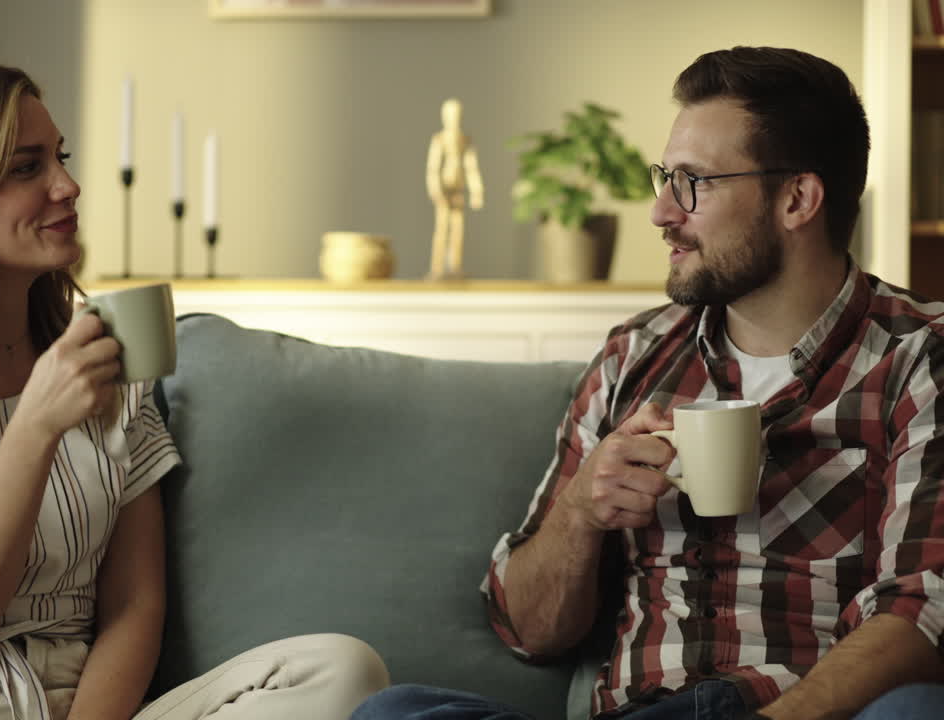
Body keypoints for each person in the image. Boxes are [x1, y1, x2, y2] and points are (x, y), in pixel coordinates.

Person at [353, 46, 944, 720]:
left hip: (797, 707)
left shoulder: (919, 357)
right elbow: (528, 632)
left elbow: (923, 613)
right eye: (665, 178)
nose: (662, 211)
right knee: (393, 711)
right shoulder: (634, 355)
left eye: (692, 182)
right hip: (644, 710)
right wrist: (582, 510)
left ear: (798, 199)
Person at [0, 63, 388, 720]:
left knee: (342, 671)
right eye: (28, 168)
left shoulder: (103, 360)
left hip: (86, 709)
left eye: (60, 158)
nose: (68, 186)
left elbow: (135, 607)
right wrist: (36, 428)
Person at [426, 98, 484, 279]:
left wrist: (477, 191)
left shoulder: (464, 140)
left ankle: (455, 266)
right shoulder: (440, 139)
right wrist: (435, 189)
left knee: (458, 229)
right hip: (444, 189)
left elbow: (471, 167)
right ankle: (437, 267)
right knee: (442, 228)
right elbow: (433, 167)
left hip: (458, 189)